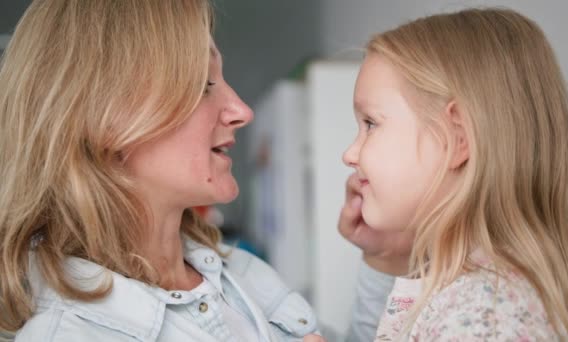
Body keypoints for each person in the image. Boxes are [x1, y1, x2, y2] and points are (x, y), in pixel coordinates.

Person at [0, 1, 410, 341]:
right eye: (202, 83)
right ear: (107, 118)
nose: (241, 111)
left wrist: (383, 259)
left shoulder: (242, 273)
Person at [337, 7, 568, 342]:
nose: (350, 154)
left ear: (457, 137)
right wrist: (385, 256)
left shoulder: (484, 320)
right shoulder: (468, 298)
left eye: (370, 124)